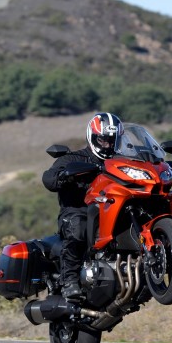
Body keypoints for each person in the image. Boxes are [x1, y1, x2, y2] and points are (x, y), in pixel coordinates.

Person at [42, 112, 124, 301]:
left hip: (111, 211)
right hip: (78, 210)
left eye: (112, 141)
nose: (108, 145)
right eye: (103, 140)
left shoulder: (120, 162)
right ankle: (69, 280)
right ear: (93, 137)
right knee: (79, 227)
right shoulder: (73, 158)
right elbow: (49, 179)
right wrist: (63, 176)